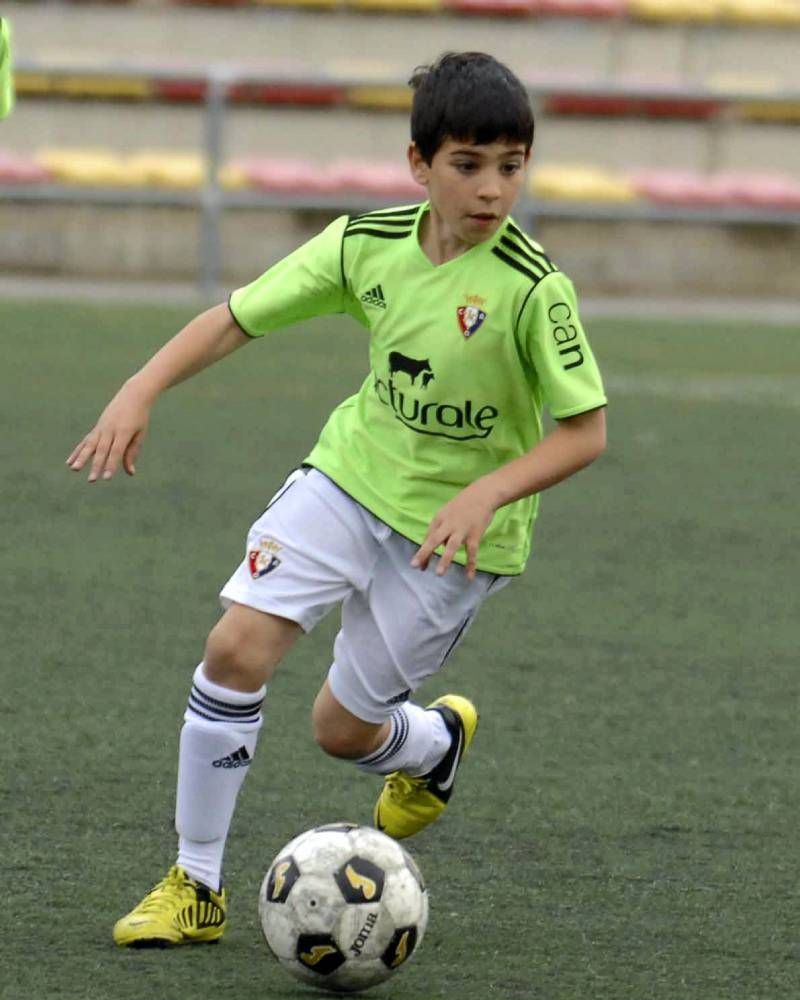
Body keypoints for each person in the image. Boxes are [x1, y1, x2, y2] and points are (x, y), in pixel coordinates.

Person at [67, 51, 607, 948]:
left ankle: (432, 747)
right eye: (468, 165)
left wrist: (487, 492)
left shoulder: (532, 288)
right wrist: (141, 386)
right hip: (349, 479)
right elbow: (238, 316)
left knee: (341, 731)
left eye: (511, 166)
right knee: (236, 645)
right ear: (419, 166)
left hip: (453, 540)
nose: (491, 189)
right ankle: (196, 885)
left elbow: (584, 431)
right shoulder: (364, 244)